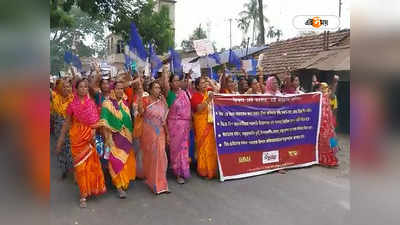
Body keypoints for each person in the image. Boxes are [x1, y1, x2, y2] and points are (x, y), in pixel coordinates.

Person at [56, 78, 106, 208]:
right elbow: (67, 122)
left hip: (90, 137)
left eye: (85, 87)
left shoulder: (91, 103)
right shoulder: (72, 105)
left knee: (90, 165)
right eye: (81, 87)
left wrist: (95, 132)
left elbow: (95, 121)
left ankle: (92, 188)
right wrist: (61, 139)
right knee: (79, 167)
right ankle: (83, 194)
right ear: (76, 89)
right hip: (77, 137)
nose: (83, 89)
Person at [99, 81, 136, 198]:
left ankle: (124, 182)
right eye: (118, 88)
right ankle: (118, 186)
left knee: (124, 160)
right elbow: (104, 122)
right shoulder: (106, 103)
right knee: (114, 161)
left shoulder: (124, 104)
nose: (120, 91)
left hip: (126, 137)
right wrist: (107, 139)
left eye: (122, 88)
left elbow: (129, 122)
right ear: (113, 90)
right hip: (112, 138)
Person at [138, 81, 170, 194]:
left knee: (161, 156)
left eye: (159, 88)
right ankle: (152, 182)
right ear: (150, 90)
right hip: (149, 132)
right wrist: (139, 98)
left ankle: (161, 183)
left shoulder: (162, 102)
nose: (158, 90)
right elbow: (141, 113)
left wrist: (168, 134)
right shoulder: (145, 100)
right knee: (152, 157)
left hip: (160, 132)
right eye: (155, 88)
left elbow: (164, 120)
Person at [164, 74, 192, 184]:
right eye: (174, 81)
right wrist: (165, 71)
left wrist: (189, 123)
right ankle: (178, 173)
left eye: (178, 80)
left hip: (185, 126)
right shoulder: (169, 95)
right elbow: (167, 111)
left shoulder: (184, 94)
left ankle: (184, 170)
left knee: (183, 149)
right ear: (170, 83)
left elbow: (188, 110)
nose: (177, 83)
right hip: (174, 126)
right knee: (175, 150)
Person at [191, 77, 218, 179]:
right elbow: (198, 108)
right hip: (201, 125)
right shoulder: (195, 96)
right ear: (197, 86)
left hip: (211, 124)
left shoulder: (209, 92)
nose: (205, 84)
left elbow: (217, 91)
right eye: (202, 83)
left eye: (205, 82)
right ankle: (203, 171)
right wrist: (208, 99)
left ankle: (212, 170)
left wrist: (210, 81)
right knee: (203, 147)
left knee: (211, 146)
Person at [51, 79, 74, 179]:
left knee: (71, 149)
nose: (66, 89)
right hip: (58, 127)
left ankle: (74, 172)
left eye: (68, 86)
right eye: (64, 87)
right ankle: (63, 169)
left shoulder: (74, 99)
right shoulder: (55, 98)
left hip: (71, 127)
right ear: (59, 88)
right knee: (61, 149)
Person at [317, 82, 339, 167]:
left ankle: (333, 155)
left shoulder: (328, 96)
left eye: (325, 87)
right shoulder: (317, 96)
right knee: (323, 140)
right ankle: (323, 159)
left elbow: (332, 94)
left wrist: (335, 83)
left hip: (330, 120)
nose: (324, 89)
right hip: (321, 122)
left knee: (332, 138)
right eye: (322, 87)